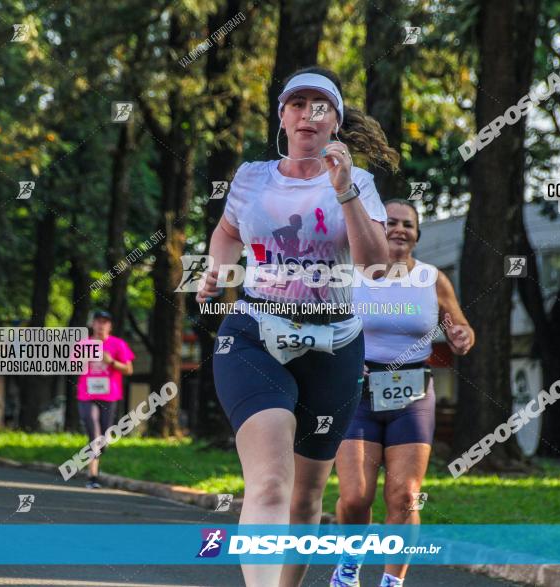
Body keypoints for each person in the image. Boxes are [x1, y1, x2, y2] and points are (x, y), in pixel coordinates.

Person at [197, 66, 399, 587]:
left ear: (335, 121)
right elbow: (225, 232)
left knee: (307, 497)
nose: (307, 113)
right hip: (255, 332)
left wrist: (346, 191)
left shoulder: (362, 185)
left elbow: (375, 266)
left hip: (335, 344)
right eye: (296, 103)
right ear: (282, 117)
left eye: (320, 105)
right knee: (269, 483)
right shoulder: (251, 178)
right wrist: (216, 270)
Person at [330, 199, 475, 587]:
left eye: (407, 225)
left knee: (405, 495)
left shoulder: (432, 279)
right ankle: (348, 565)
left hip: (411, 394)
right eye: (390, 222)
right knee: (357, 497)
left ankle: (392, 582)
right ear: (375, 229)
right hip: (355, 392)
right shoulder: (348, 275)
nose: (398, 229)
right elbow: (322, 327)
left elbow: (459, 327)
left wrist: (461, 336)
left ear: (416, 234)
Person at [76, 310, 134, 489]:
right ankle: (92, 477)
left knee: (102, 438)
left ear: (110, 326)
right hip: (87, 395)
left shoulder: (118, 344)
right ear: (93, 324)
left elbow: (128, 370)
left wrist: (111, 362)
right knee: (93, 432)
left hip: (109, 396)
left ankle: (102, 444)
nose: (101, 325)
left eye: (105, 322)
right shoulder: (83, 344)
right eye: (98, 322)